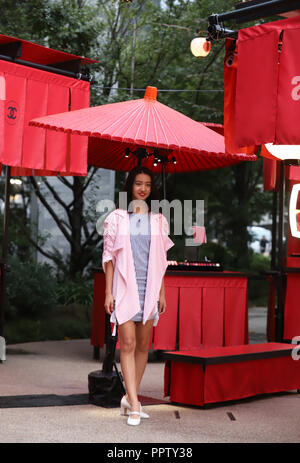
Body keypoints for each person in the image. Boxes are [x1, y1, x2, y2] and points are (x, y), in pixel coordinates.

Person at [102, 166, 174, 426]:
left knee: (144, 346)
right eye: (137, 184)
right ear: (130, 187)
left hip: (150, 288)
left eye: (146, 184)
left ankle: (127, 397)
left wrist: (162, 293)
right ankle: (134, 404)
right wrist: (108, 292)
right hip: (124, 288)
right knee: (128, 344)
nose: (142, 188)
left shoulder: (158, 220)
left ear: (151, 188)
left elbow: (162, 260)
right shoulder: (117, 218)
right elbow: (109, 258)